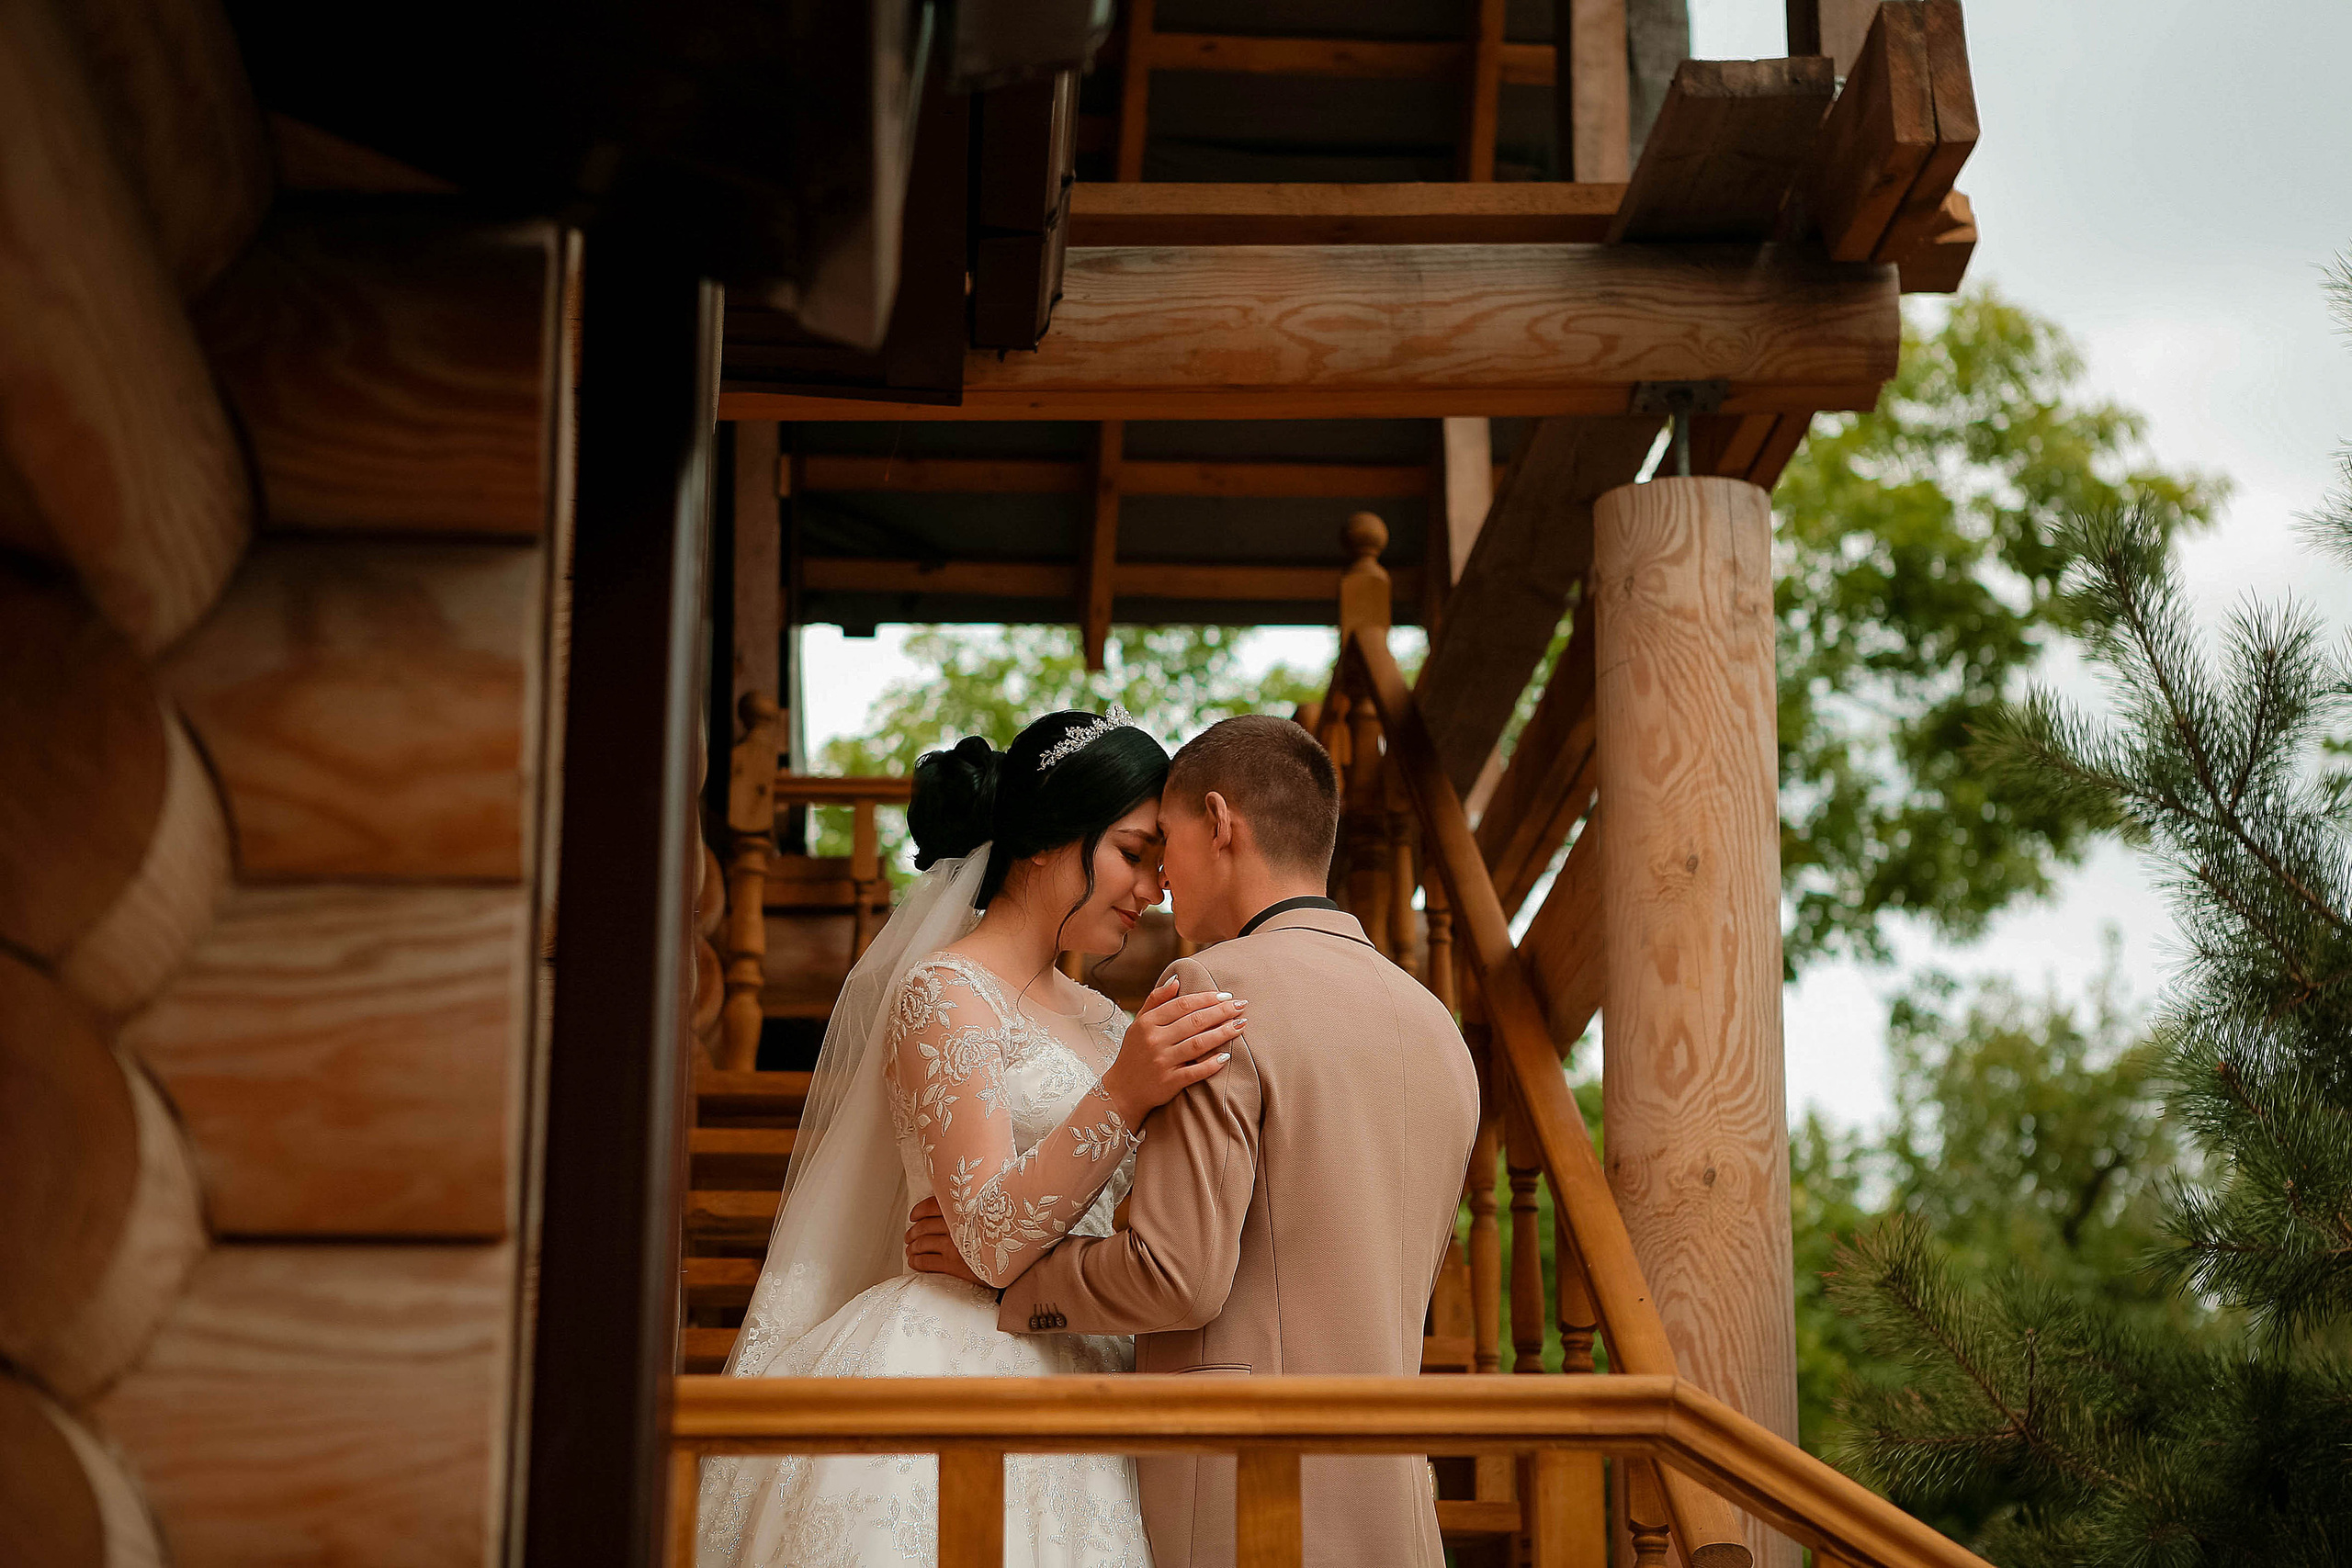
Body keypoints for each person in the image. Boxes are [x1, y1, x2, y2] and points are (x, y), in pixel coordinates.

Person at [908, 713, 1481, 1568]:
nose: (1161, 884)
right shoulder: (1436, 1027)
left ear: (1219, 823)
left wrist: (1004, 1274)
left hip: (1245, 1489)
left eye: (1162, 845)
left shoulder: (1213, 991)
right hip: (1392, 1493)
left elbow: (1173, 1274)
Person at [698, 708, 1246, 1568]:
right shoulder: (946, 993)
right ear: (1049, 840)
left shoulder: (1112, 1024)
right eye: (1134, 854)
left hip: (1095, 1365)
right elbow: (988, 1235)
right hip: (949, 1363)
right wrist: (1128, 1091)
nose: (1154, 889)